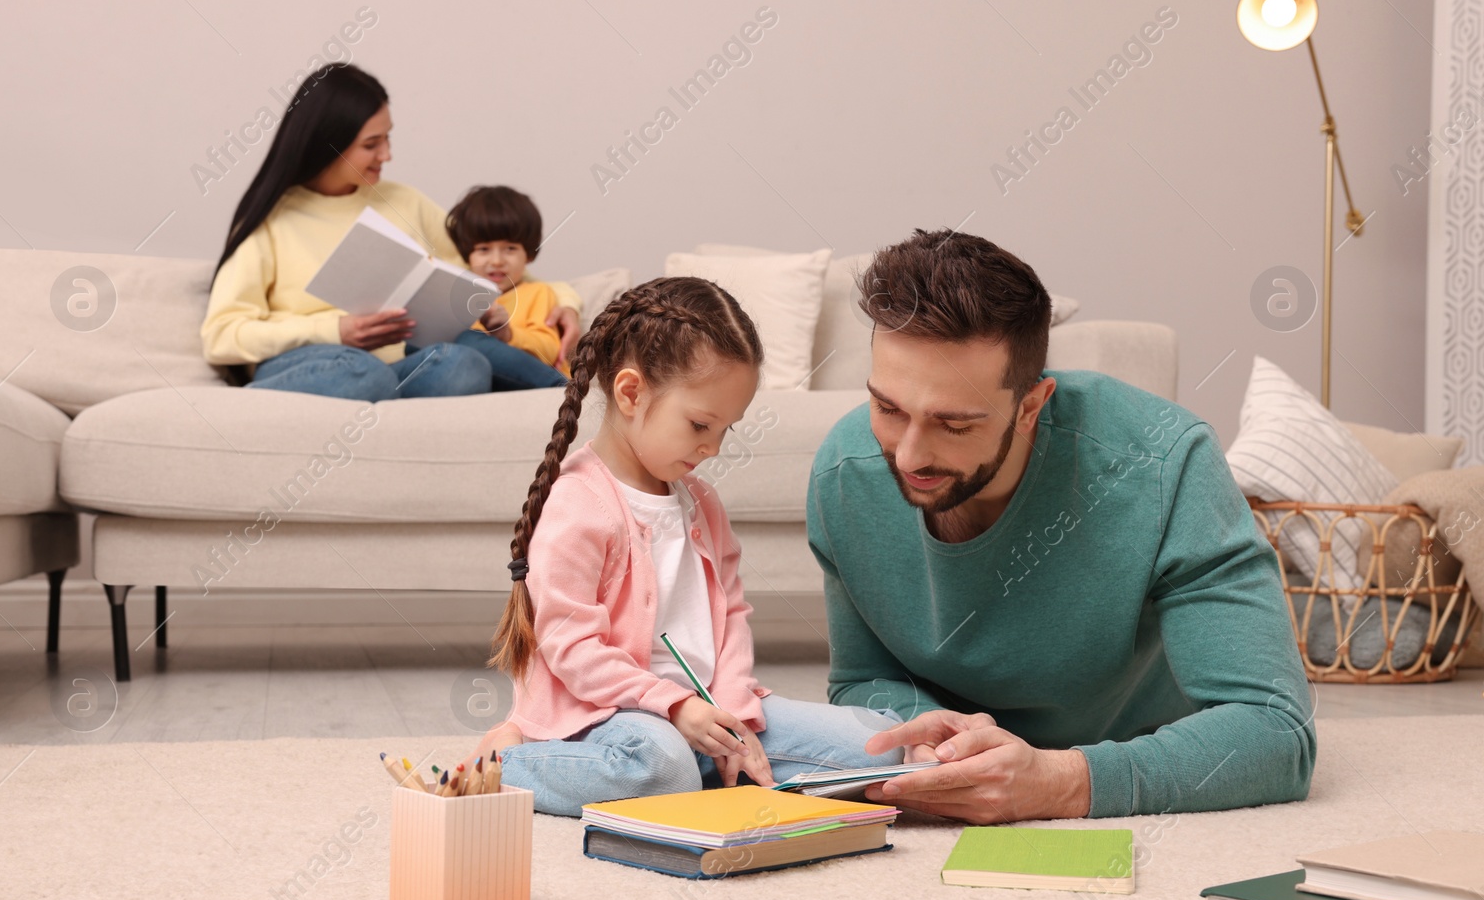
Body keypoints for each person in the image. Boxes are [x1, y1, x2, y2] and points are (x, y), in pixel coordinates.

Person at [808, 228, 1316, 822]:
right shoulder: (845, 472)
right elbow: (863, 677)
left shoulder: (1167, 464)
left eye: (955, 424)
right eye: (888, 408)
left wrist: (1062, 783)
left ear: (1031, 406)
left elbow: (1278, 731)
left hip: (1135, 743)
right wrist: (924, 731)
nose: (908, 456)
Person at [475, 277, 903, 816]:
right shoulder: (577, 504)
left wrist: (735, 712)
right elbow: (572, 649)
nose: (714, 447)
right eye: (701, 424)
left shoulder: (700, 501)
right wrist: (675, 706)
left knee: (886, 743)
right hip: (608, 717)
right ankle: (506, 765)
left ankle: (708, 770)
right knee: (662, 765)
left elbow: (732, 614)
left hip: (704, 717)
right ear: (631, 394)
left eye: (727, 429)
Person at [201, 63, 583, 400]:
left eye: (387, 138)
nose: (387, 155)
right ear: (326, 145)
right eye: (371, 144)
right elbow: (222, 335)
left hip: (401, 363)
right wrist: (335, 330)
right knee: (361, 373)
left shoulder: (405, 202)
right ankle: (272, 398)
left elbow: (490, 267)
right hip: (317, 360)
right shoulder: (270, 222)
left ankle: (564, 399)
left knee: (463, 362)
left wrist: (565, 301)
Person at [445, 185, 572, 391]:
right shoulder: (461, 299)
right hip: (485, 379)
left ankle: (566, 392)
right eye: (483, 249)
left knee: (469, 340)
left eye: (510, 249)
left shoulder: (537, 292)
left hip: (537, 379)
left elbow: (550, 350)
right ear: (467, 255)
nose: (496, 261)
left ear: (529, 254)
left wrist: (507, 335)